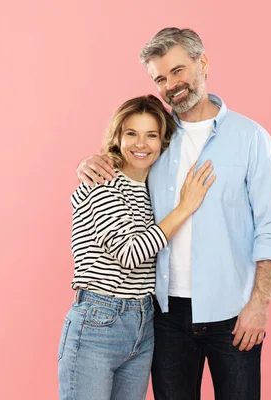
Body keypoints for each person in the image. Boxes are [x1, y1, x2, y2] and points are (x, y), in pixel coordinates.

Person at [76, 28, 271, 400]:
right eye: (160, 78)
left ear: (202, 62)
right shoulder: (156, 140)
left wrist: (259, 305)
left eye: (178, 70)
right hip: (165, 317)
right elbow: (120, 174)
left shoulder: (250, 137)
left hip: (233, 314)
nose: (171, 84)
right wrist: (92, 162)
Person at [57, 94, 216, 400]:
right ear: (117, 136)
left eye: (151, 135)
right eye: (131, 133)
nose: (141, 144)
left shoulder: (153, 187)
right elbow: (131, 253)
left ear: (163, 140)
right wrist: (186, 207)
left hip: (144, 323)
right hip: (98, 322)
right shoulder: (101, 182)